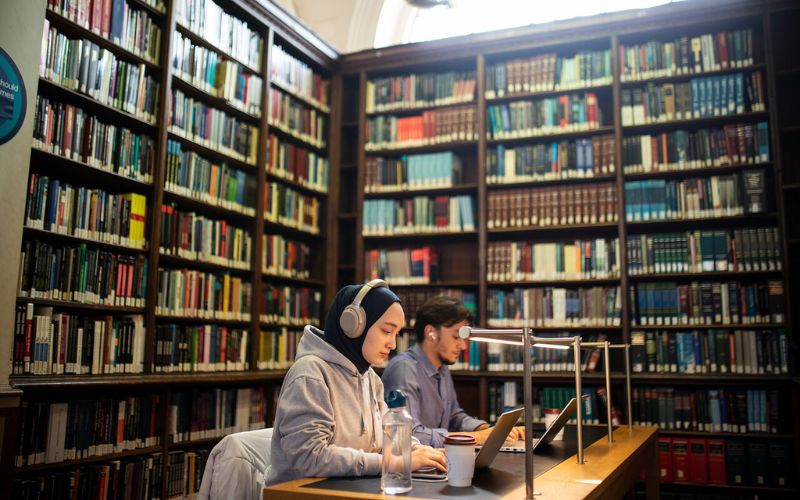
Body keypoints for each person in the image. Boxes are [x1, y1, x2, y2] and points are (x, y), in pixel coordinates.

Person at [264, 281, 445, 487]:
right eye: (386, 331)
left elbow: (387, 436)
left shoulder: (370, 378)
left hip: (348, 489)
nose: (393, 344)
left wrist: (416, 450)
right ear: (353, 325)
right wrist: (392, 462)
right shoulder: (310, 374)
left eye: (396, 334)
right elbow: (309, 459)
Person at [382, 295, 524, 447]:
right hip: (411, 466)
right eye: (456, 336)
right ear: (431, 333)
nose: (463, 346)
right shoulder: (404, 369)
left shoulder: (442, 368)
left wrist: (491, 430)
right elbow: (410, 434)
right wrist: (476, 437)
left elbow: (454, 418)